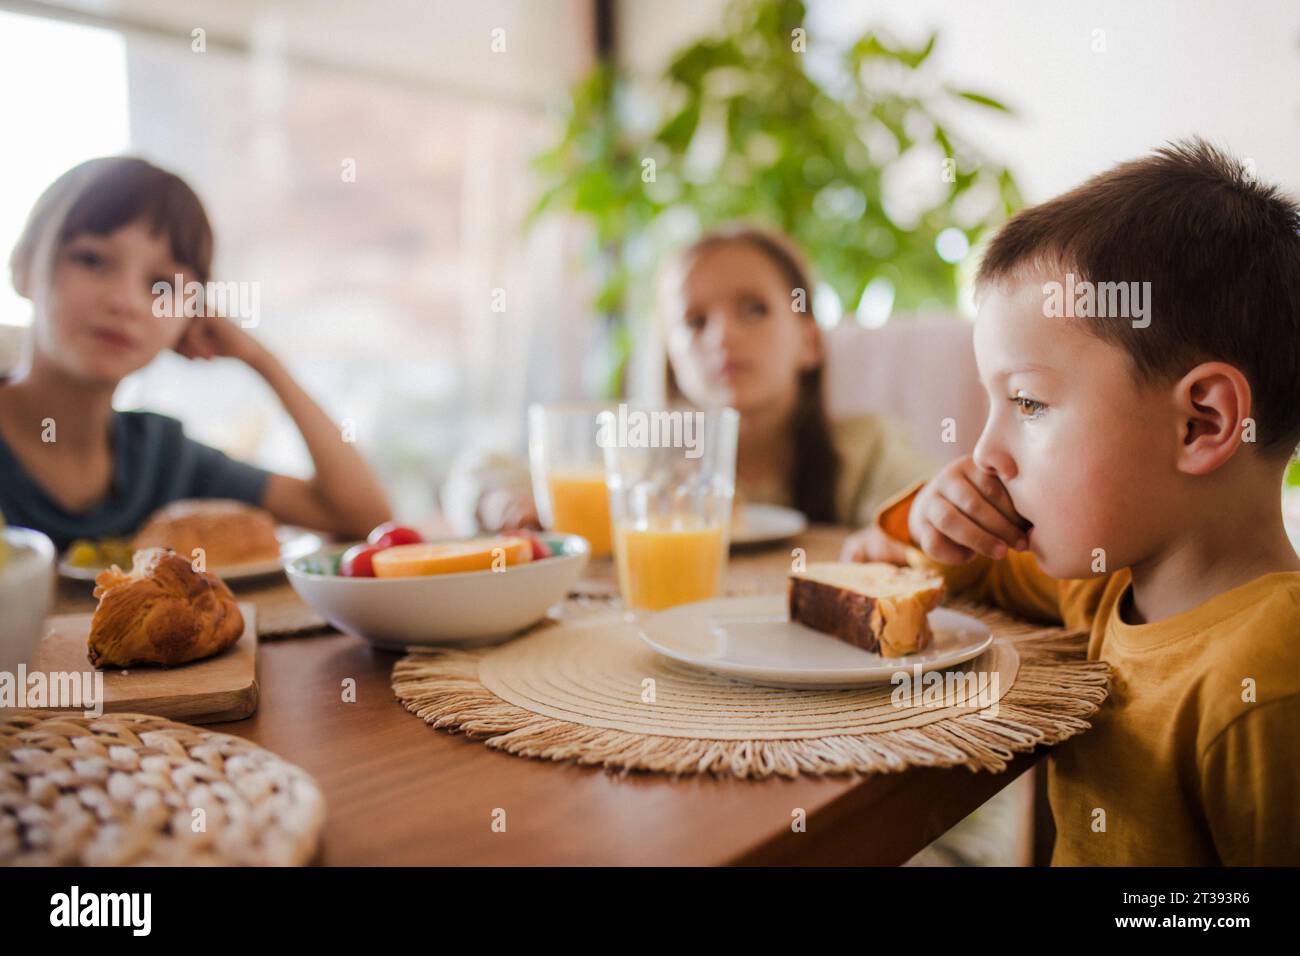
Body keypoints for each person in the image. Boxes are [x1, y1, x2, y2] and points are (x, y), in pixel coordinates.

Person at [847, 139, 1300, 865]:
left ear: (1202, 423)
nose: (987, 451)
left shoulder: (1270, 681)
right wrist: (937, 523)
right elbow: (975, 570)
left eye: (1027, 402)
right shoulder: (1103, 583)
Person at [444, 226, 936, 545]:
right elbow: (478, 469)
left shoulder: (864, 449)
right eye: (695, 321)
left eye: (754, 309)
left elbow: (931, 509)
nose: (723, 336)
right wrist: (498, 502)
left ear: (809, 341)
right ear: (674, 359)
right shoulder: (637, 449)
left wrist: (914, 529)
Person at [0, 157, 391, 551]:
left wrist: (260, 359)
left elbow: (363, 518)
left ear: (188, 317)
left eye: (163, 286)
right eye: (92, 259)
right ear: (23, 267)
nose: (125, 301)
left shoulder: (161, 459)